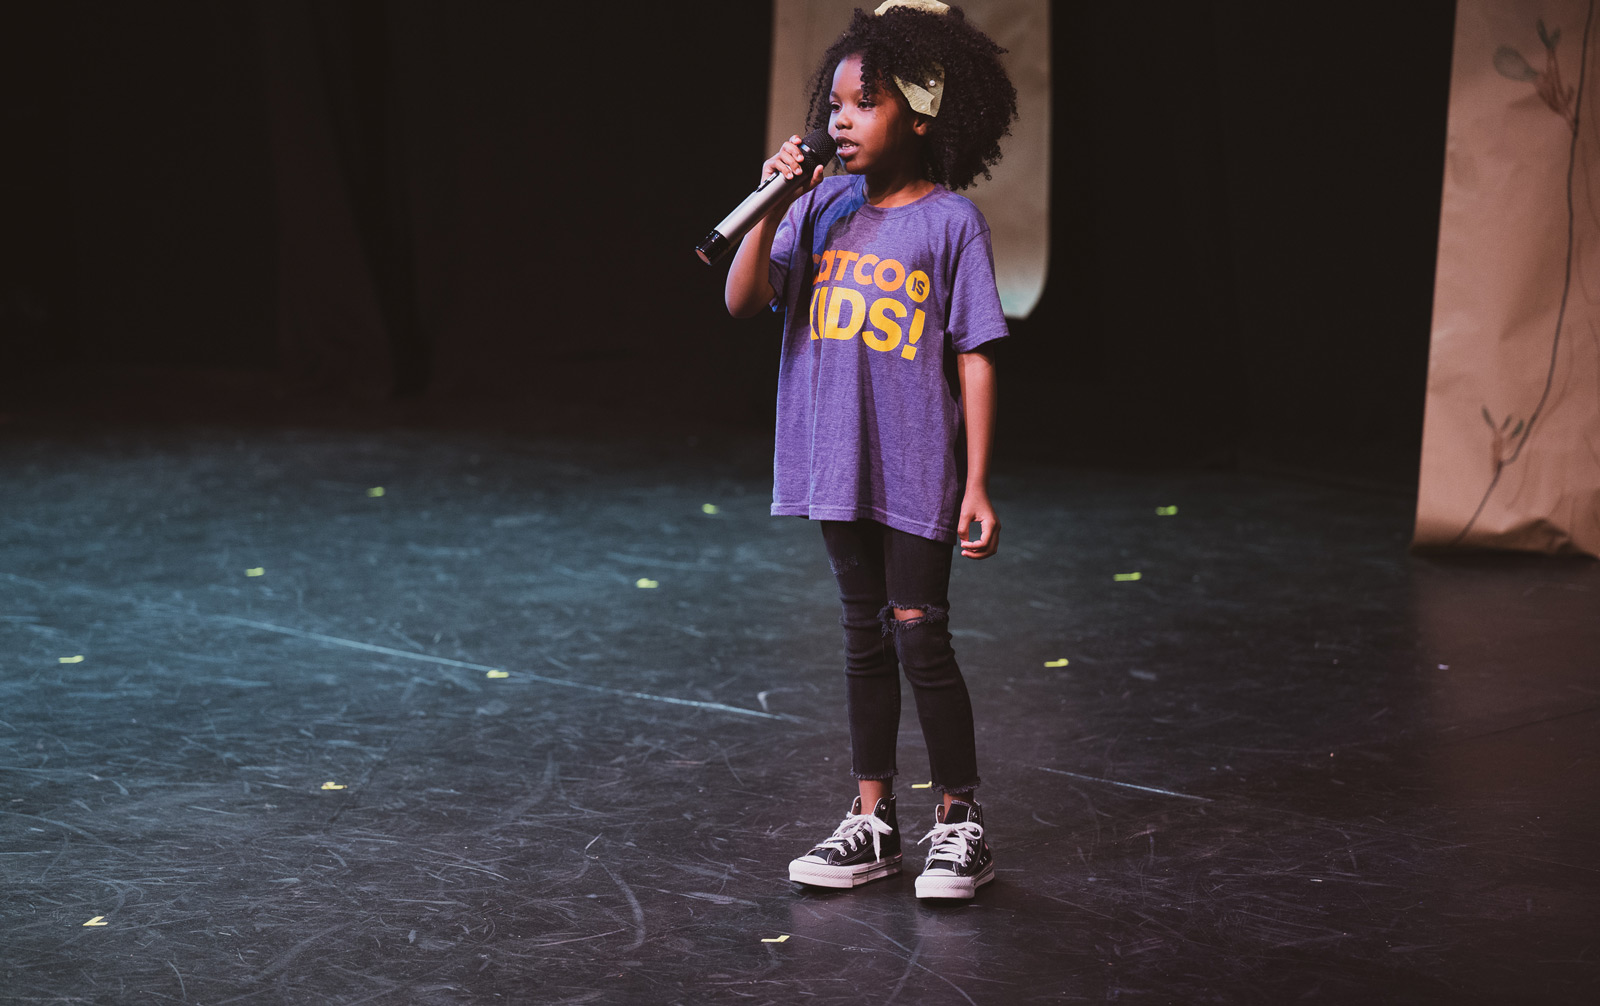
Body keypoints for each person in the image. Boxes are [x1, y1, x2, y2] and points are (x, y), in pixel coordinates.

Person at [722, 0, 1018, 900]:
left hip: (916, 466)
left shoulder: (950, 223)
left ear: (920, 117)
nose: (840, 121)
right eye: (835, 105)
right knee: (863, 638)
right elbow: (742, 298)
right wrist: (773, 204)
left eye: (865, 104)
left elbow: (974, 354)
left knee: (920, 635)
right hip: (834, 461)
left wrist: (978, 482)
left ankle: (960, 820)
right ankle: (874, 818)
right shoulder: (818, 207)